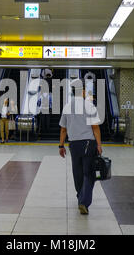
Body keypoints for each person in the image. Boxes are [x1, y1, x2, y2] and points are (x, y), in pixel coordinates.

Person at [58, 81, 102, 215]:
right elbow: (95, 128)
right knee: (89, 173)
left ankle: (80, 197)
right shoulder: (89, 106)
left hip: (74, 144)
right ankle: (84, 201)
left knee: (77, 172)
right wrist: (99, 145)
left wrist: (61, 145)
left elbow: (63, 130)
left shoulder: (67, 107)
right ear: (82, 91)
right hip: (88, 144)